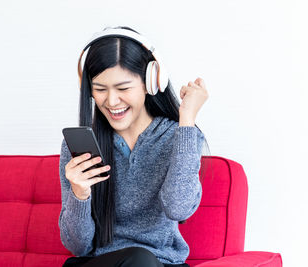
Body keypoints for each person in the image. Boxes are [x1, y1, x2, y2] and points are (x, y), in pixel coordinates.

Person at [58, 26, 210, 267]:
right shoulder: (80, 147)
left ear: (151, 82)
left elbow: (178, 208)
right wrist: (80, 193)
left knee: (143, 261)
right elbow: (78, 246)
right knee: (139, 260)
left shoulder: (180, 137)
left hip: (162, 264)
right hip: (101, 263)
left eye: (123, 88)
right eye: (100, 89)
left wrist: (187, 119)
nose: (111, 101)